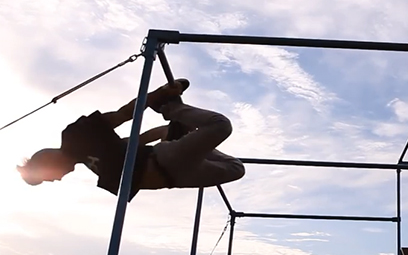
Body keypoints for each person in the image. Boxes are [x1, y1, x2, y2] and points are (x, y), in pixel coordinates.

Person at [16, 79, 245, 201]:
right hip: (177, 177)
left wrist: (158, 95)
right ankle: (180, 135)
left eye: (47, 178)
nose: (56, 179)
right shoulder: (91, 166)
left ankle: (172, 110)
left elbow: (123, 114)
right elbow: (134, 142)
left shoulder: (75, 135)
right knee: (236, 169)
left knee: (220, 126)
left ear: (46, 163)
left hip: (164, 159)